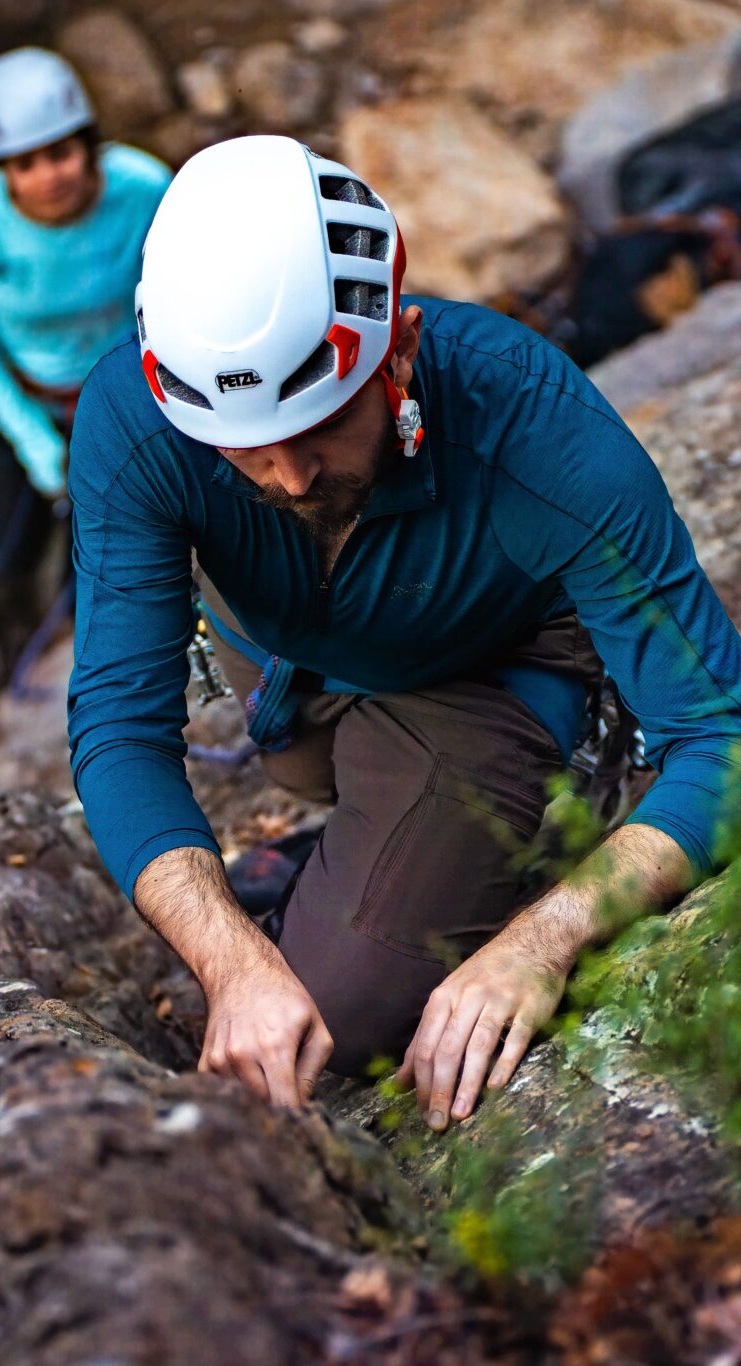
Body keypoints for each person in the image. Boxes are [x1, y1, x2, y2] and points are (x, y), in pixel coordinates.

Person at [68, 135, 741, 1132]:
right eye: (247, 452)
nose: (289, 477)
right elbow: (119, 725)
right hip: (319, 653)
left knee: (341, 1003)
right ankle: (370, 830)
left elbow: (721, 735)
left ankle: (584, 753)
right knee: (295, 766)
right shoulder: (140, 420)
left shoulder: (533, 423)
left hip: (496, 656)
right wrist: (230, 958)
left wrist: (542, 940)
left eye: (322, 428)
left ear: (402, 349)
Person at [0, 47, 171, 703]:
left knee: (107, 533)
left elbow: (172, 295)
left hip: (119, 391)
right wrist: (34, 440)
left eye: (61, 152)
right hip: (14, 397)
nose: (49, 175)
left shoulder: (142, 189)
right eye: (26, 163)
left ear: (89, 146)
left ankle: (97, 653)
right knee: (2, 537)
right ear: (2, 169)